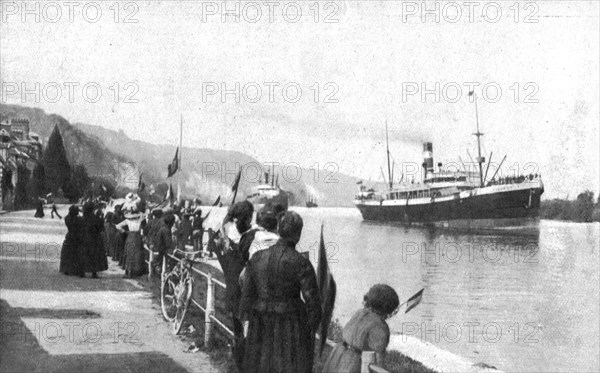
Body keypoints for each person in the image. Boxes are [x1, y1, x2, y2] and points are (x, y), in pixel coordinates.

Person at [238, 211, 322, 373]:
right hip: (290, 327)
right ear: (298, 234)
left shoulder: (257, 258)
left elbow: (246, 297)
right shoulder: (301, 262)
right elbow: (313, 305)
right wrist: (308, 331)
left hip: (259, 324)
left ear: (279, 229)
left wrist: (247, 323)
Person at [214, 200, 258, 369]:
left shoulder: (225, 244)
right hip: (249, 294)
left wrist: (226, 221)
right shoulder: (250, 239)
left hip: (233, 293)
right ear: (248, 218)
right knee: (252, 333)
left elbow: (218, 239)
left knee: (238, 332)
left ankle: (240, 365)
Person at [321, 284, 400, 373]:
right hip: (352, 363)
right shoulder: (380, 326)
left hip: (337, 354)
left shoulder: (360, 313)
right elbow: (379, 358)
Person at [116, 203, 147, 278]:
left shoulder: (127, 221)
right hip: (137, 236)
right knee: (137, 254)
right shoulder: (139, 220)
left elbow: (118, 226)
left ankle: (129, 271)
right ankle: (137, 271)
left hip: (130, 236)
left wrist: (124, 231)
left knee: (129, 253)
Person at [81, 201, 108, 278]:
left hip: (84, 238)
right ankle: (94, 272)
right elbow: (101, 228)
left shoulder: (83, 218)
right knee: (94, 255)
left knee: (84, 254)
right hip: (95, 238)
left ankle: (82, 271)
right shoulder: (95, 218)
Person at [59, 205, 84, 277]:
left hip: (70, 235)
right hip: (77, 236)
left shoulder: (67, 218)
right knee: (77, 253)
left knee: (67, 253)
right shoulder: (79, 219)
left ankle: (66, 269)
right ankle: (76, 269)